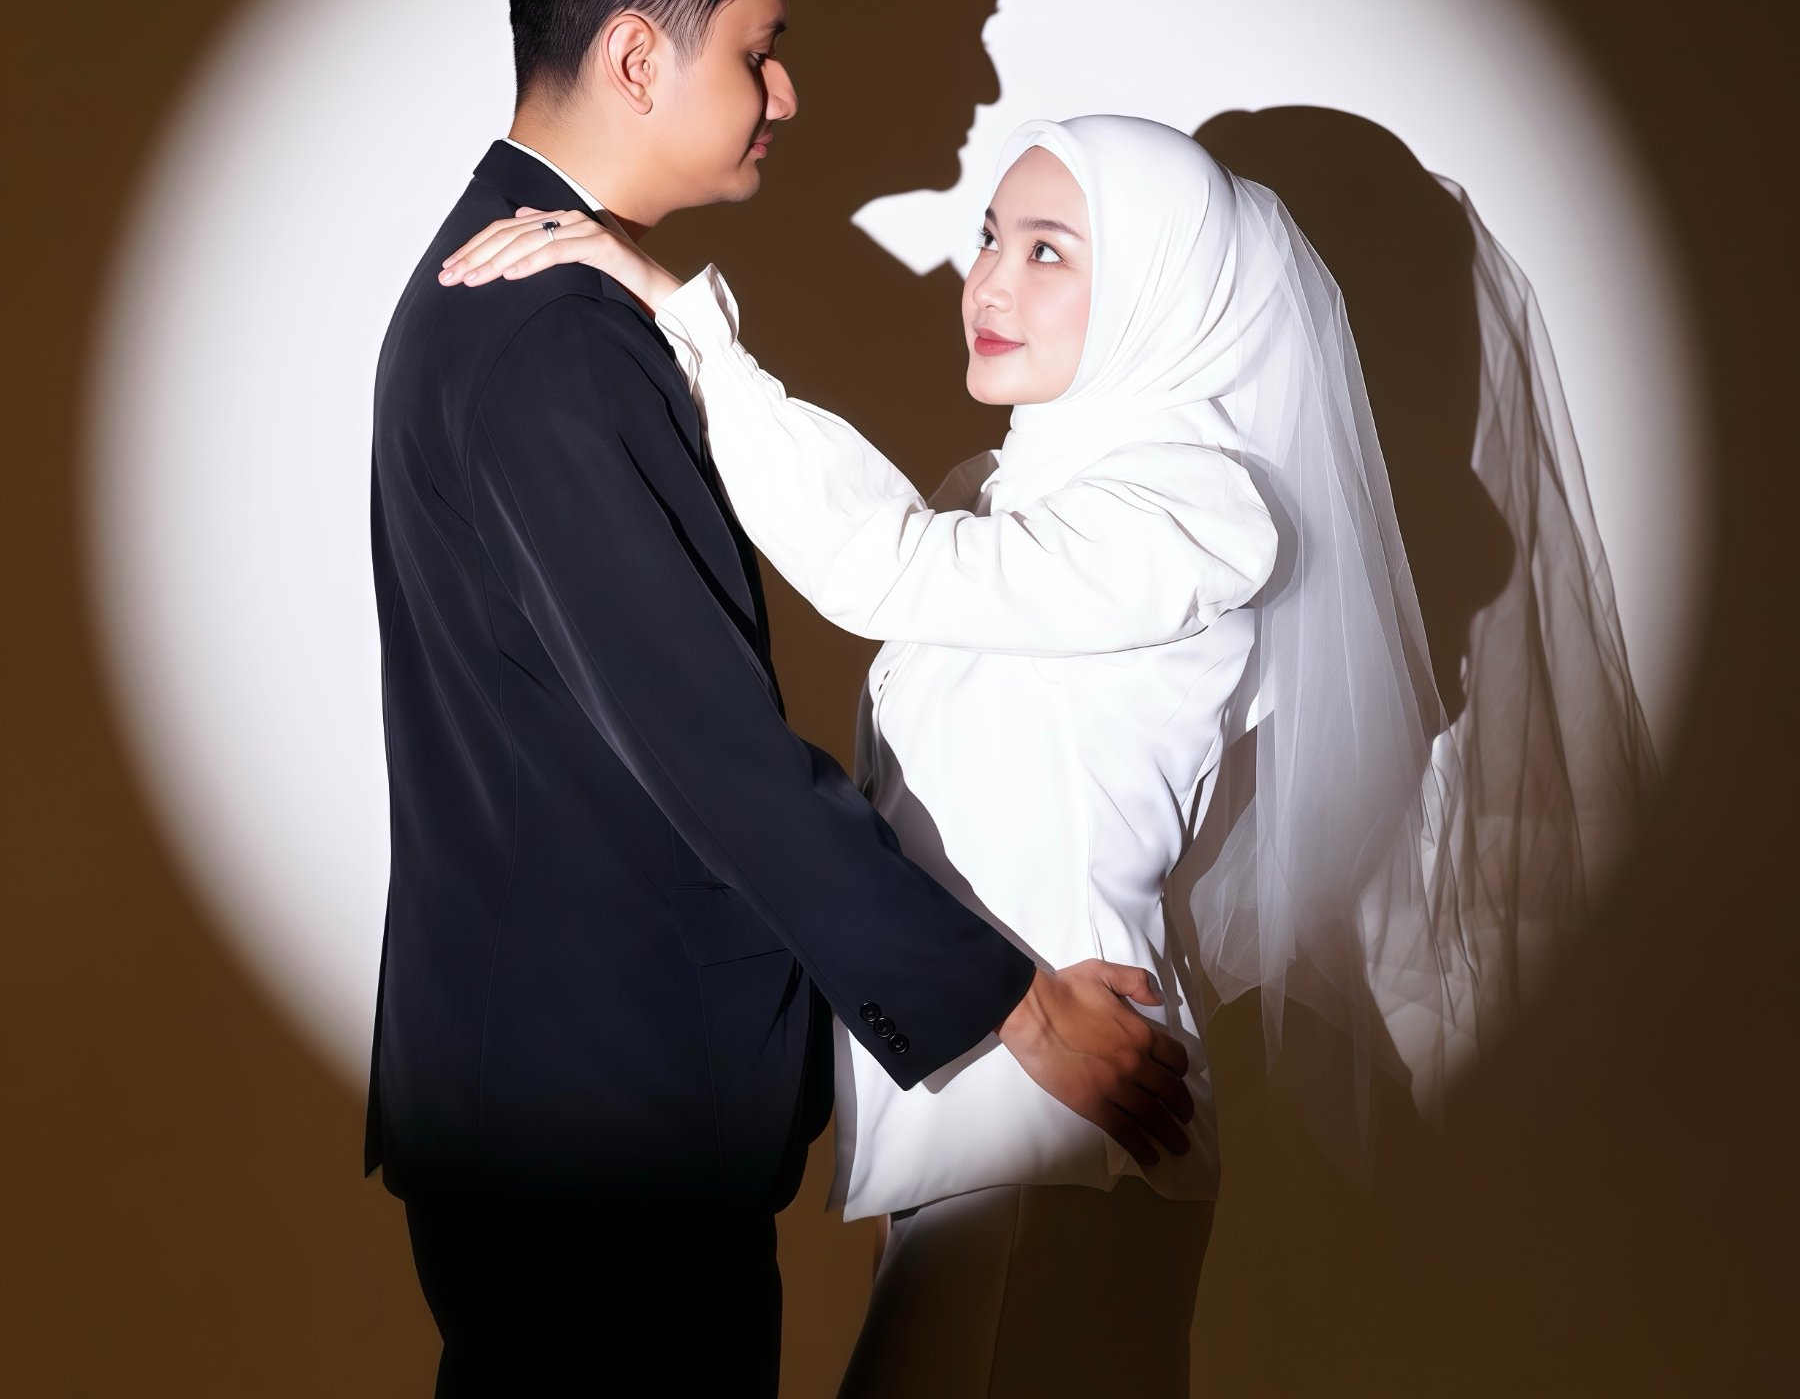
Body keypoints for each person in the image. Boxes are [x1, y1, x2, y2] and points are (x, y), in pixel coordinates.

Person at [441, 107, 1655, 1394]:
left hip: (1061, 1131)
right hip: (997, 1126)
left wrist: (676, 314)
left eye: (1049, 251)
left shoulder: (1198, 515)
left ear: (1159, 294)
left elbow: (876, 563)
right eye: (989, 238)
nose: (990, 282)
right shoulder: (1004, 496)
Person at [367, 0, 1199, 1398]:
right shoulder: (551, 336)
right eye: (761, 52)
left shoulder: (526, 284)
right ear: (636, 55)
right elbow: (714, 758)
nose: (790, 94)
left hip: (550, 1106)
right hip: (599, 1140)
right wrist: (1018, 1010)